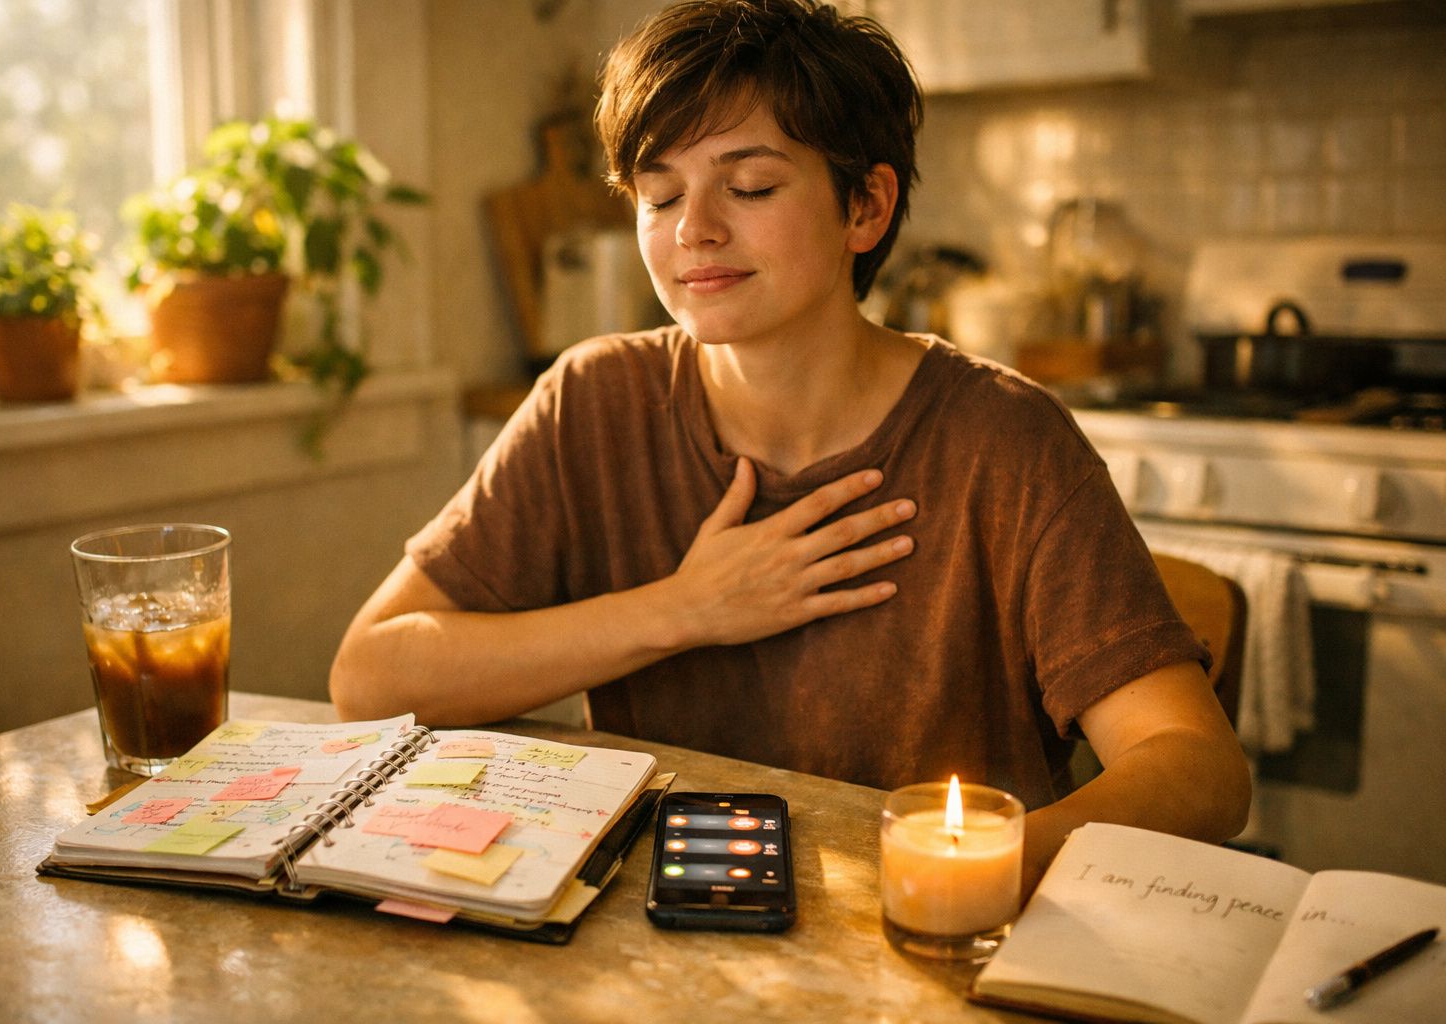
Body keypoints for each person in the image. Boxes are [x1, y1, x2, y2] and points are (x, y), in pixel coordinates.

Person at [330, 0, 1249, 893]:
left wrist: (975, 863)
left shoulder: (1003, 439)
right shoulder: (593, 400)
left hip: (926, 938)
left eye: (751, 185)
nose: (694, 229)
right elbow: (371, 678)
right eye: (660, 194)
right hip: (661, 932)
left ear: (866, 207)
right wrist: (683, 609)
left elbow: (1200, 768)